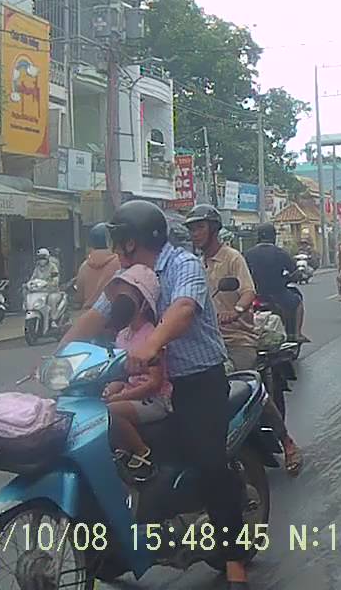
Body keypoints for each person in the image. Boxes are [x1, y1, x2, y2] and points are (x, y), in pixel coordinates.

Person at [57, 200, 253, 588]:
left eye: (118, 240)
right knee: (105, 447)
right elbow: (96, 315)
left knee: (209, 462)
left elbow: (183, 308)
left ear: (132, 242)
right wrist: (57, 355)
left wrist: (152, 343)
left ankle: (234, 558)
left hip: (198, 381)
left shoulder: (183, 265)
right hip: (149, 384)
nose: (114, 248)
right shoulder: (129, 275)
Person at [186, 205, 303, 476]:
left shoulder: (232, 257)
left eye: (200, 227)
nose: (195, 234)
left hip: (236, 338)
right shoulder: (193, 263)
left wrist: (236, 311)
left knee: (248, 386)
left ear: (214, 229)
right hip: (204, 342)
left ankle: (287, 442)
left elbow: (248, 292)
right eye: (191, 229)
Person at [100, 265, 171, 481]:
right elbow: (121, 373)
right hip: (132, 392)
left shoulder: (152, 335)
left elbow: (154, 383)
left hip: (155, 399)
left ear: (143, 303)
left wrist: (120, 397)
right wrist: (112, 388)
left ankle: (142, 453)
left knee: (111, 411)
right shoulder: (122, 335)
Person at [244, 223, 310, 345]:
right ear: (273, 236)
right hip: (278, 293)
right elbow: (295, 273)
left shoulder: (248, 254)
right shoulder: (280, 253)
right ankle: (297, 334)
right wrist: (293, 277)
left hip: (254, 294)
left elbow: (242, 274)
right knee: (298, 302)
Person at [76, 223, 120, 310]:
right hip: (112, 314)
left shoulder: (84, 266)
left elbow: (79, 298)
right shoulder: (119, 263)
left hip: (89, 314)